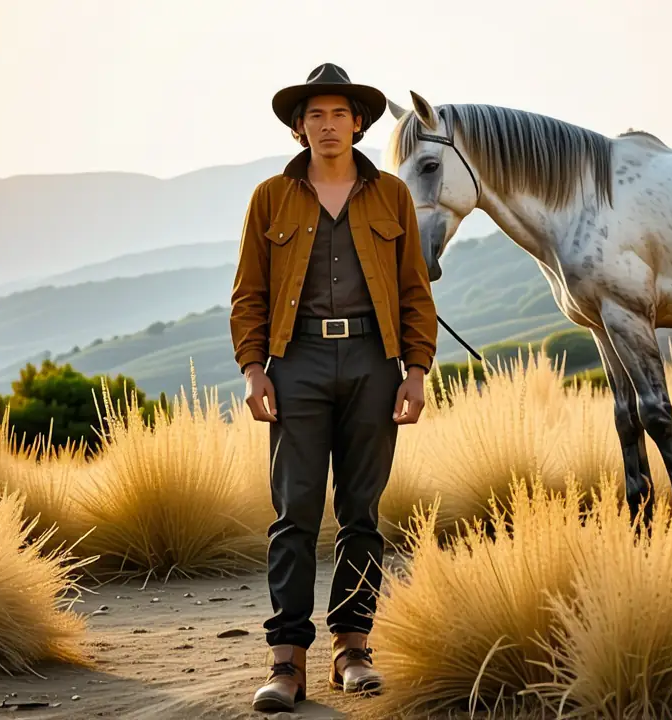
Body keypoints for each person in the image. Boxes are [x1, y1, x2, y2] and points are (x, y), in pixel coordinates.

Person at [228, 62, 438, 713]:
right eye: (314, 114)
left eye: (337, 113)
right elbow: (248, 294)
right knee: (294, 514)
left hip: (376, 363)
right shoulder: (270, 197)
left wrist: (416, 369)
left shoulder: (392, 196)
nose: (326, 125)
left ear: (359, 123)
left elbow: (413, 290)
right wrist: (254, 368)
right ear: (299, 127)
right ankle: (287, 661)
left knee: (361, 515)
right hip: (299, 364)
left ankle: (352, 649)